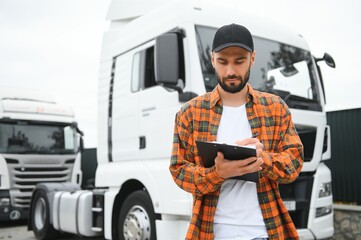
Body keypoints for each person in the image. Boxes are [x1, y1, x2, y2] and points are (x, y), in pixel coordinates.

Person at [169, 23, 303, 240]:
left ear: (252, 58)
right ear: (212, 59)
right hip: (211, 233)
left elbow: (294, 164)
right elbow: (179, 171)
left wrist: (263, 159)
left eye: (239, 61)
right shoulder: (190, 113)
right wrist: (217, 173)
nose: (230, 71)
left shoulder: (276, 108)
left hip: (265, 232)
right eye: (222, 61)